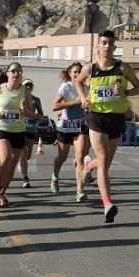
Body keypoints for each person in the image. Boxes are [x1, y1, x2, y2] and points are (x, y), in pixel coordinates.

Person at [75, 29, 139, 223]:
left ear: (114, 47)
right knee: (104, 159)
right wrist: (82, 97)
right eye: (103, 42)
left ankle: (88, 165)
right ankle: (107, 204)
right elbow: (78, 81)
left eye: (110, 43)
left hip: (116, 118)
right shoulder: (91, 68)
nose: (107, 46)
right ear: (98, 46)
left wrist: (125, 92)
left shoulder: (123, 68)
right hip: (96, 116)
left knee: (105, 163)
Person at [0, 62, 33, 206]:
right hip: (1, 128)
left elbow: (31, 114)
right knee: (6, 157)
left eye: (19, 71)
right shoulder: (0, 89)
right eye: (13, 71)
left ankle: (1, 193)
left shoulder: (25, 91)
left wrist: (24, 111)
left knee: (13, 164)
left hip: (18, 131)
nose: (16, 74)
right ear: (7, 73)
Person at [51, 62, 91, 201]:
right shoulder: (66, 87)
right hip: (65, 127)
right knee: (62, 157)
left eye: (80, 72)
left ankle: (79, 190)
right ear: (70, 73)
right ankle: (55, 177)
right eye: (75, 72)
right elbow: (55, 106)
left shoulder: (87, 88)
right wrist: (73, 103)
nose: (77, 74)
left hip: (80, 126)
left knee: (79, 157)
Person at [19, 79, 44, 188]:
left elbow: (41, 114)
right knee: (23, 153)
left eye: (30, 86)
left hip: (31, 129)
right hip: (20, 129)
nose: (28, 87)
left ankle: (20, 163)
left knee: (28, 155)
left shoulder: (36, 100)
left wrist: (38, 117)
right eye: (26, 86)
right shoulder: (18, 98)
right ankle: (25, 178)